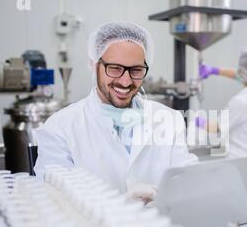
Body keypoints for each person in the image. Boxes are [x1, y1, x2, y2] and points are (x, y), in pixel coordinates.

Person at [34, 22, 198, 204]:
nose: (126, 81)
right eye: (114, 68)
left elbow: (187, 181)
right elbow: (53, 203)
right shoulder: (60, 128)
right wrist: (121, 205)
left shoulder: (168, 119)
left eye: (136, 70)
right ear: (94, 65)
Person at [198, 46, 247, 158]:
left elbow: (216, 128)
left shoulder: (242, 102)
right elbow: (242, 75)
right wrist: (215, 71)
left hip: (241, 160)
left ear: (243, 71)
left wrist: (197, 120)